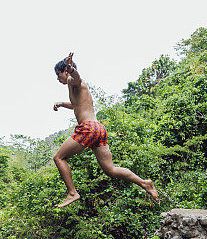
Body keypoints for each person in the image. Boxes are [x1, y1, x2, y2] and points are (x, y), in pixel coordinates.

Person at [52, 53, 159, 208]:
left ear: (65, 72)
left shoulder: (72, 80)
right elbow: (76, 104)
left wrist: (72, 69)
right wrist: (61, 103)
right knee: (111, 170)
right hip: (98, 129)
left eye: (58, 74)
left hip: (88, 128)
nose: (57, 78)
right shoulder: (74, 88)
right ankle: (145, 183)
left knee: (59, 158)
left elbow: (77, 79)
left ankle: (72, 193)